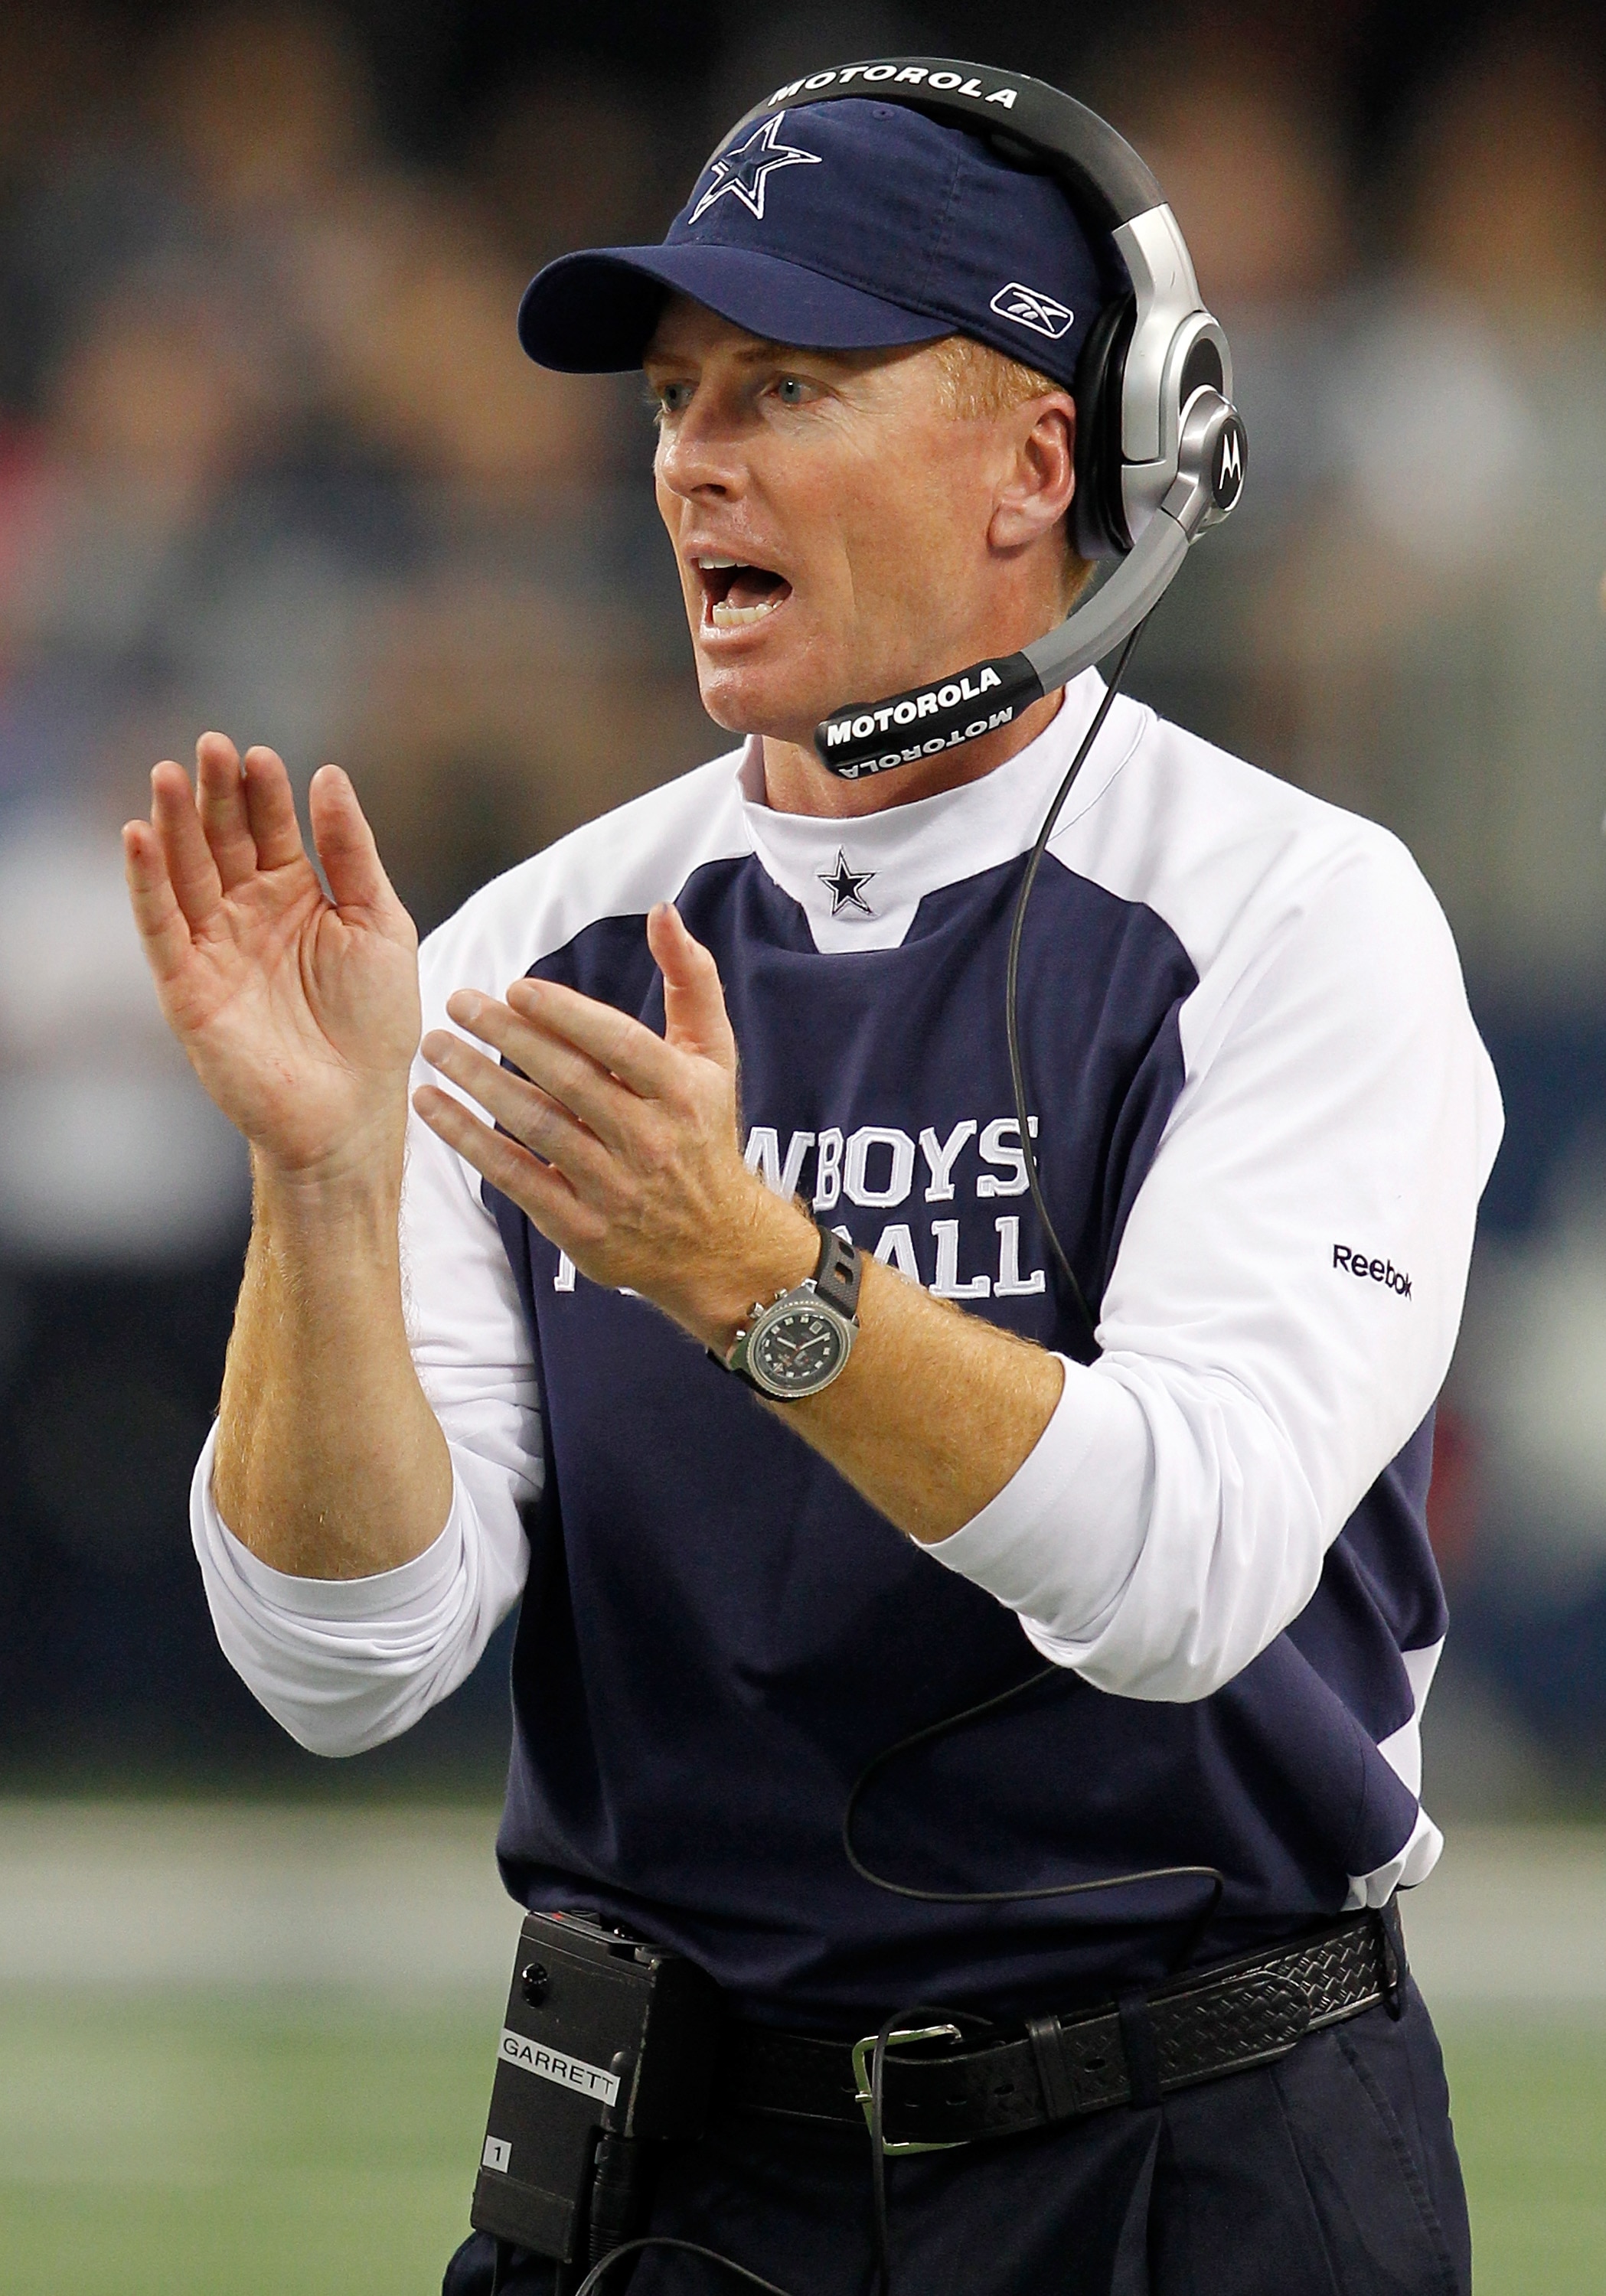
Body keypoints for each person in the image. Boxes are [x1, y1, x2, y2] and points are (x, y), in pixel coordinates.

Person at [125, 78, 1500, 2296]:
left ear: (1039, 462)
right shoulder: (516, 954)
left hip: (1191, 2169)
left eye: (788, 387)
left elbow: (1186, 1567)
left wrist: (753, 1274)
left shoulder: (1291, 917)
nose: (692, 459)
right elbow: (342, 1660)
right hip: (670, 2178)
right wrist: (319, 1184)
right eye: (677, 400)